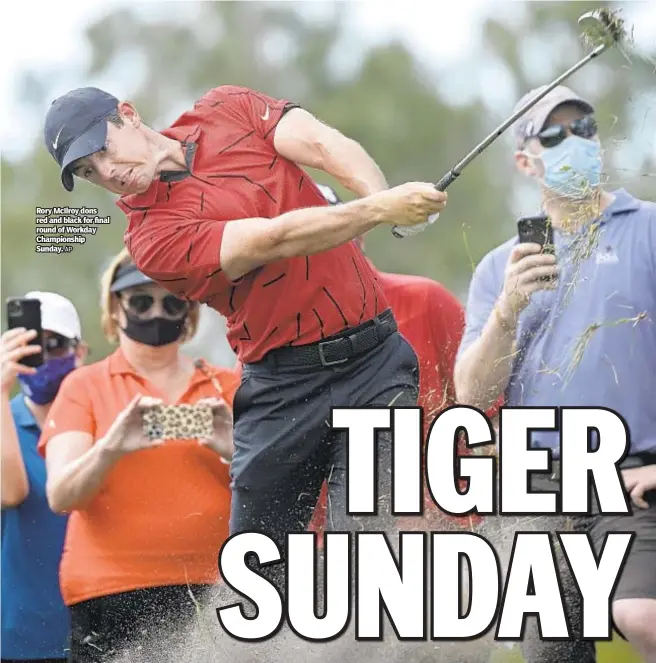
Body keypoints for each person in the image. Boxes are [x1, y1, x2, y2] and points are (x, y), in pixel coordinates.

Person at [42, 86, 448, 577]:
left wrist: (379, 195)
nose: (106, 173)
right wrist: (379, 211)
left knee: (365, 546)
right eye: (89, 172)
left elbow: (321, 145)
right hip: (282, 389)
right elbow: (272, 238)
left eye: (102, 150)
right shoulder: (150, 239)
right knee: (257, 568)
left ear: (128, 115)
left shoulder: (225, 108)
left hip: (375, 363)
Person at [455, 85, 656, 663]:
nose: (575, 142)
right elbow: (473, 393)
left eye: (584, 129)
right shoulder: (500, 268)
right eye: (554, 135)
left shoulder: (645, 228)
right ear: (526, 160)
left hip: (632, 477)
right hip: (536, 491)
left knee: (640, 614)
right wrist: (507, 310)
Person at [37, 249, 239, 662]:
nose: (157, 313)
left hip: (218, 586)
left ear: (190, 309)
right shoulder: (83, 386)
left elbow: (283, 492)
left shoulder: (229, 386)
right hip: (110, 591)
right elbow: (61, 495)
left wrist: (235, 451)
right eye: (142, 301)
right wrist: (111, 447)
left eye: (172, 301)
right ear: (117, 307)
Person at [308, 183, 484, 537]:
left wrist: (445, 518)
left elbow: (486, 419)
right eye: (309, 243)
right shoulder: (269, 333)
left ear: (360, 238)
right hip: (333, 552)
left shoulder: (426, 300)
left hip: (442, 541)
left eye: (334, 235)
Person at [2, 292, 87, 663]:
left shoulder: (103, 425)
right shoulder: (5, 420)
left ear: (79, 352)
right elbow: (11, 491)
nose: (45, 356)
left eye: (56, 345)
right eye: (33, 346)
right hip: (19, 638)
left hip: (96, 630)